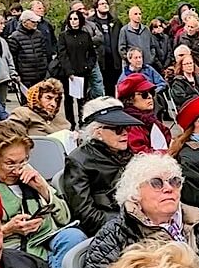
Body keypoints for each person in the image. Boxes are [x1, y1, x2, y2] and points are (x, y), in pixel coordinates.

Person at [0, 122, 85, 268]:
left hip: (44, 238)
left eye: (23, 161)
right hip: (10, 249)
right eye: (10, 163)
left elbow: (65, 218)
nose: (17, 169)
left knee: (74, 237)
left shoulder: (29, 174)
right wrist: (7, 229)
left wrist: (43, 189)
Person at [60, 99, 140, 235]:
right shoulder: (79, 161)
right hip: (109, 231)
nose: (125, 133)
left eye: (127, 127)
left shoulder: (127, 154)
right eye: (118, 129)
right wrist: (127, 223)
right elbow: (84, 213)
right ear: (98, 132)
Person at [115, 73, 169, 154]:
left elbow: (167, 136)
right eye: (144, 94)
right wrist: (167, 152)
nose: (150, 96)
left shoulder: (150, 118)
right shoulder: (130, 124)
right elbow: (140, 152)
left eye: (151, 92)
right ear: (130, 99)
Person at [7, 10, 51, 88]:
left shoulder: (39, 34)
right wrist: (16, 74)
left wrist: (45, 69)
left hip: (40, 75)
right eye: (33, 22)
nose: (36, 24)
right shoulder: (15, 37)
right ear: (25, 22)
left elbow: (44, 53)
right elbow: (13, 58)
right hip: (25, 77)